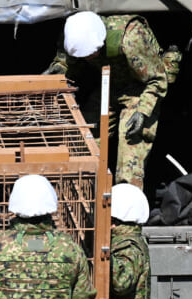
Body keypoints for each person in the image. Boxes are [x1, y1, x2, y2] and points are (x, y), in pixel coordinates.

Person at [45, 11, 180, 188]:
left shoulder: (131, 37)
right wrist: (58, 71)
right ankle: (84, 197)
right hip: (109, 85)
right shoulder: (74, 33)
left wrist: (143, 111)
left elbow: (157, 79)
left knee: (130, 154)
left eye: (92, 54)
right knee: (84, 140)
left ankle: (125, 208)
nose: (88, 59)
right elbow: (65, 61)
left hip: (141, 88)